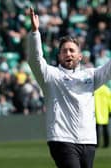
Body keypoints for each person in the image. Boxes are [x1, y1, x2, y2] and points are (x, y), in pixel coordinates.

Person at [27, 7, 111, 168]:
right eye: (64, 51)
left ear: (80, 56)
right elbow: (34, 59)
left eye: (72, 50)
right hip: (62, 139)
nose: (68, 54)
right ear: (59, 56)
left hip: (88, 141)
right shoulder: (50, 75)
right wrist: (35, 33)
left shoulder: (91, 75)